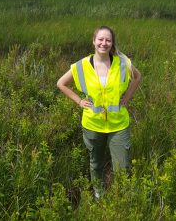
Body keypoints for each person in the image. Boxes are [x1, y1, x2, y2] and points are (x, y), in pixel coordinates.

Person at [57, 26, 141, 199]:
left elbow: (138, 77)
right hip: (93, 124)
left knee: (122, 166)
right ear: (94, 41)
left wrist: (126, 99)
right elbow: (61, 83)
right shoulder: (81, 66)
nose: (104, 43)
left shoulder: (123, 62)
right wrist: (79, 101)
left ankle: (121, 197)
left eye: (108, 40)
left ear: (112, 43)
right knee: (96, 164)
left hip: (119, 124)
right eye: (101, 39)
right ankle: (99, 194)